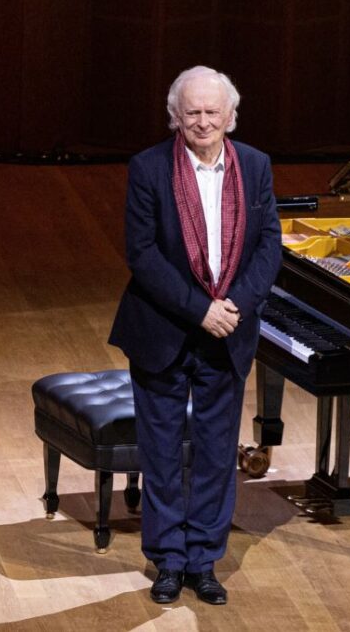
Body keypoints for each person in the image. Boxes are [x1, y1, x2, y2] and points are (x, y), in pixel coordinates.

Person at [108, 65, 282, 605]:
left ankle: (203, 560)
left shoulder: (254, 166)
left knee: (214, 453)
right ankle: (167, 560)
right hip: (164, 330)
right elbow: (143, 254)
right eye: (193, 113)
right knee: (160, 453)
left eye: (213, 112)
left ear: (231, 116)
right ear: (175, 117)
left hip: (228, 330)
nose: (203, 121)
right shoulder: (149, 168)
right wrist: (199, 310)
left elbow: (269, 247)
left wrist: (234, 307)